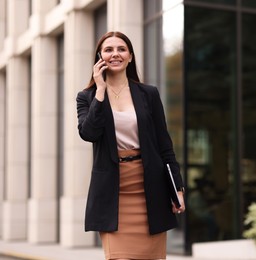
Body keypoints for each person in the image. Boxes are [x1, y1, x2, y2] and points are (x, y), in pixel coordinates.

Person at [76, 31, 185, 260]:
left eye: (121, 49)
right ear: (99, 57)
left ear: (130, 56)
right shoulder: (87, 96)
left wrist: (177, 188)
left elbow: (164, 145)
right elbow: (88, 133)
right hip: (113, 191)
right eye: (108, 49)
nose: (115, 54)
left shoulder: (149, 94)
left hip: (150, 188)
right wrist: (100, 90)